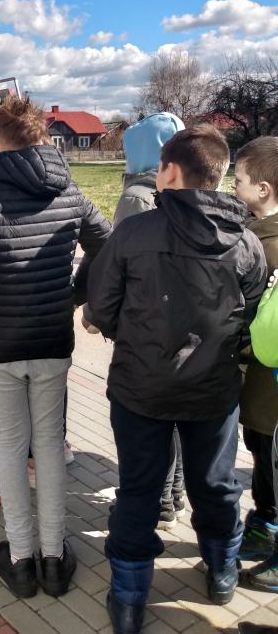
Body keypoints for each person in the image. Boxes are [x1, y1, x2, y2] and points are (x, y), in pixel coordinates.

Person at [87, 124, 267, 634]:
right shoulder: (247, 242)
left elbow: (102, 307)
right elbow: (250, 317)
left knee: (140, 488)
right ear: (218, 175)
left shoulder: (134, 232)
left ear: (167, 172)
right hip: (211, 390)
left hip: (142, 386)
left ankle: (130, 598)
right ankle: (221, 569)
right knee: (214, 484)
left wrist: (136, 337)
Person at [0, 97, 111, 599]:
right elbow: (107, 244)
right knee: (49, 445)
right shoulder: (70, 192)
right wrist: (73, 294)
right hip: (51, 339)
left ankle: (21, 558)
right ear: (43, 137)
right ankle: (53, 560)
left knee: (11, 447)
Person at [114, 112, 186, 531]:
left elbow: (121, 264)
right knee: (174, 416)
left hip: (145, 326)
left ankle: (159, 500)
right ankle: (173, 492)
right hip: (180, 323)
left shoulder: (137, 198)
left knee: (151, 422)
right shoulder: (185, 193)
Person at [234, 136, 278, 592]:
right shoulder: (256, 234)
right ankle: (265, 524)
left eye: (240, 180)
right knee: (262, 453)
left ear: (263, 189)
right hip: (258, 380)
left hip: (269, 382)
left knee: (269, 456)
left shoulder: (267, 246)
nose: (234, 187)